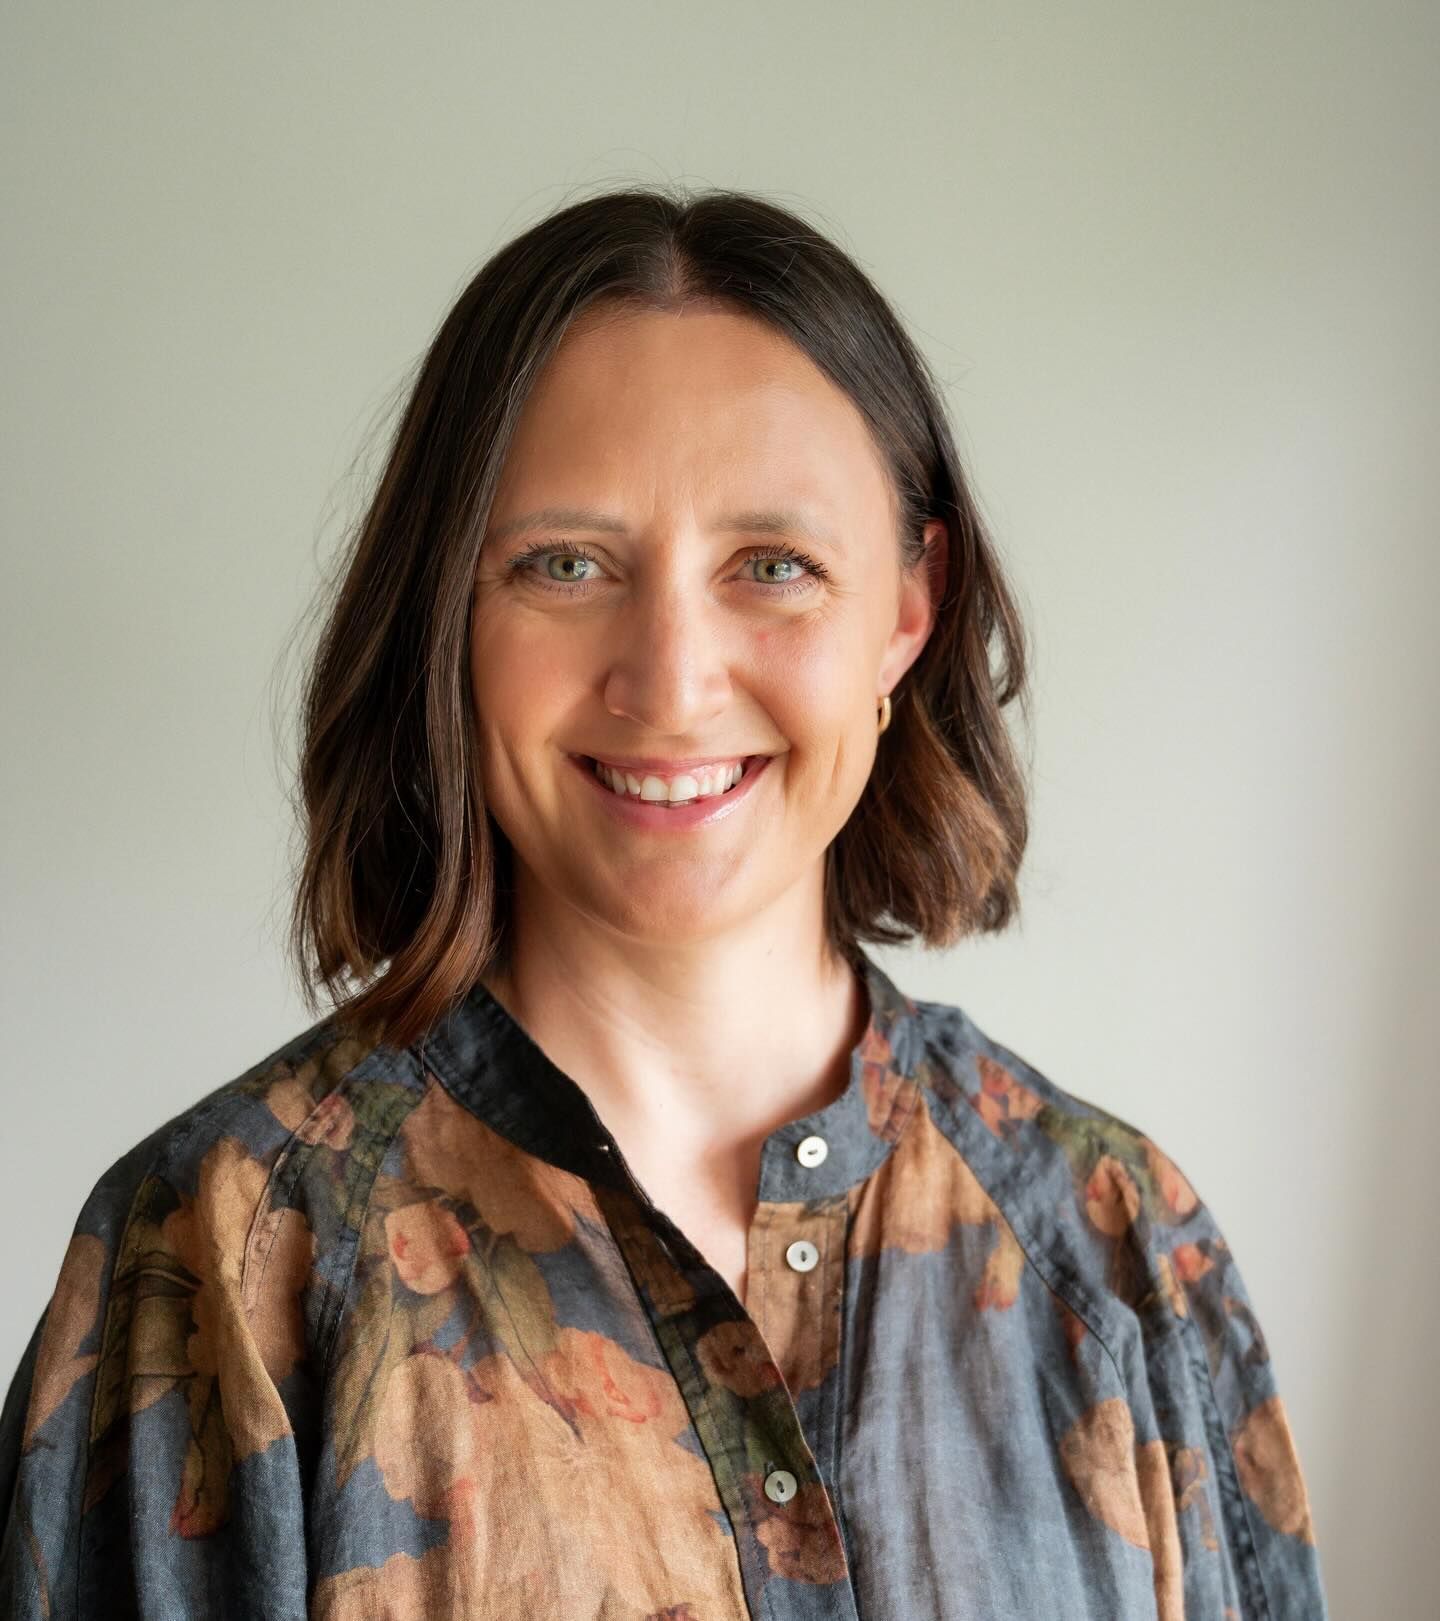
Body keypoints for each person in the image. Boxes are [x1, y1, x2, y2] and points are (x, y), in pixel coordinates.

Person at [0, 187, 1330, 1620]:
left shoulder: (1114, 1245)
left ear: (906, 606)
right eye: (566, 563)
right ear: (451, 608)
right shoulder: (230, 1263)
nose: (673, 678)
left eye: (774, 566)